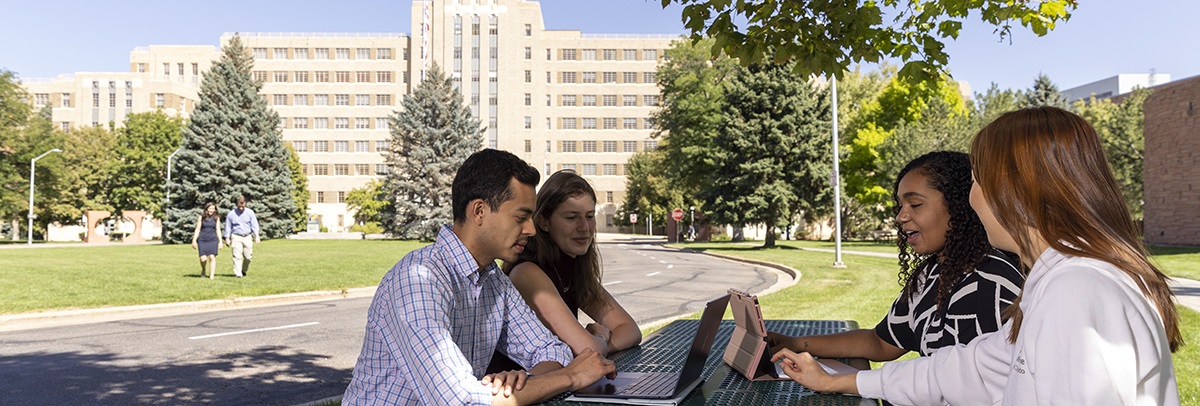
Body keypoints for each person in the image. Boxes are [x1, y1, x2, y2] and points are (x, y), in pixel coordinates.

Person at [773, 107, 1181, 405]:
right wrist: (834, 382)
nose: (972, 196)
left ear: (1016, 191)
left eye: (979, 180)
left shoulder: (1075, 289)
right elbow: (967, 368)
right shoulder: (1055, 281)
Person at [344, 149, 616, 405]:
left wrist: (523, 382)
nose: (531, 229)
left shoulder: (493, 281)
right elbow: (461, 399)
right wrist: (570, 377)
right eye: (521, 217)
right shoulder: (417, 281)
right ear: (479, 212)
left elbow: (551, 350)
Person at [769, 151, 1024, 361]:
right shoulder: (933, 273)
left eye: (915, 205)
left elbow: (961, 386)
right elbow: (880, 342)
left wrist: (841, 382)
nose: (901, 217)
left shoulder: (987, 285)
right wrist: (796, 343)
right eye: (900, 205)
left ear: (958, 207)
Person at [488, 171, 641, 373]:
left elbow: (630, 329)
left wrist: (597, 351)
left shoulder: (573, 267)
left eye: (589, 216)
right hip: (521, 391)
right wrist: (601, 339)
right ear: (543, 222)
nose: (584, 227)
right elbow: (589, 349)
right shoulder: (527, 273)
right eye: (571, 217)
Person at [223, 196, 260, 278]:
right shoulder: (231, 214)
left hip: (247, 236)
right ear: (236, 204)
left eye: (242, 206)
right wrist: (227, 238)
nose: (241, 207)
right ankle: (238, 274)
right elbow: (228, 227)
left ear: (245, 204)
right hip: (236, 236)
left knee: (248, 257)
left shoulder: (250, 213)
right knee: (237, 256)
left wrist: (256, 235)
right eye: (239, 206)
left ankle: (243, 270)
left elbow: (254, 224)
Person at [190, 201, 224, 279]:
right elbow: (198, 229)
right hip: (203, 239)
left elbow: (218, 230)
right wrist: (194, 240)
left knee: (212, 257)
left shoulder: (216, 218)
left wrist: (220, 241)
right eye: (210, 208)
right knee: (203, 259)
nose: (211, 210)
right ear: (206, 209)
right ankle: (203, 269)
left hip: (213, 239)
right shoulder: (201, 217)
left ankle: (211, 275)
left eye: (213, 209)